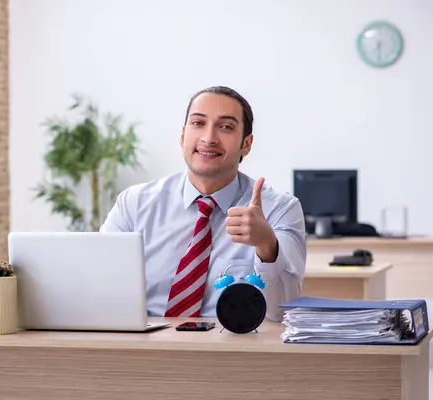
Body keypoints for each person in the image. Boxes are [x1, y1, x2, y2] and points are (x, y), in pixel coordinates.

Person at [100, 86, 306, 321]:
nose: (209, 139)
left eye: (226, 127)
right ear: (182, 135)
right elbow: (102, 287)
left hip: (232, 352)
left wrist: (267, 245)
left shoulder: (280, 209)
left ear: (246, 144)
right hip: (147, 347)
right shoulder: (134, 204)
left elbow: (284, 311)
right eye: (198, 123)